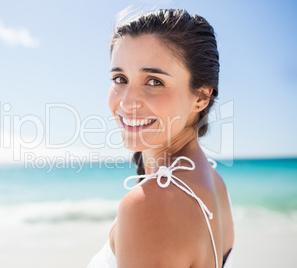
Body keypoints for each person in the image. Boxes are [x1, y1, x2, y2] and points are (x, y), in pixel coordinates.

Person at [88, 8, 234, 268]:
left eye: (154, 81)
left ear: (201, 96)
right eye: (120, 78)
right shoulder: (214, 183)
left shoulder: (150, 207)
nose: (127, 101)